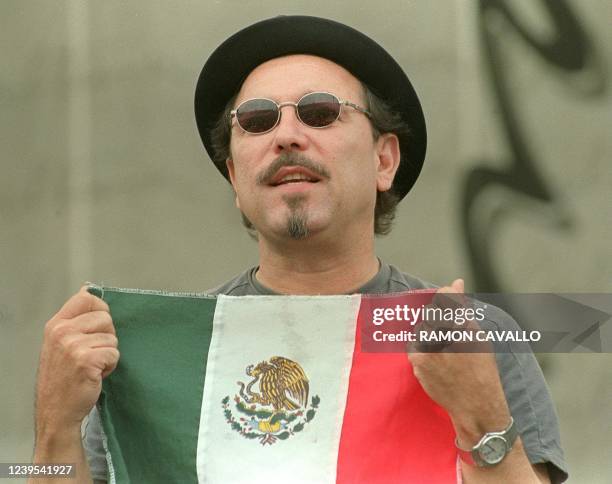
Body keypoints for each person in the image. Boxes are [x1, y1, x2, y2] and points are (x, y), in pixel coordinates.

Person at [32, 16, 567, 483]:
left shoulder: (478, 337)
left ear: (385, 161)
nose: (286, 135)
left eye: (319, 112)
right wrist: (53, 431)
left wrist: (484, 421)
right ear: (236, 176)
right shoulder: (154, 361)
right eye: (258, 121)